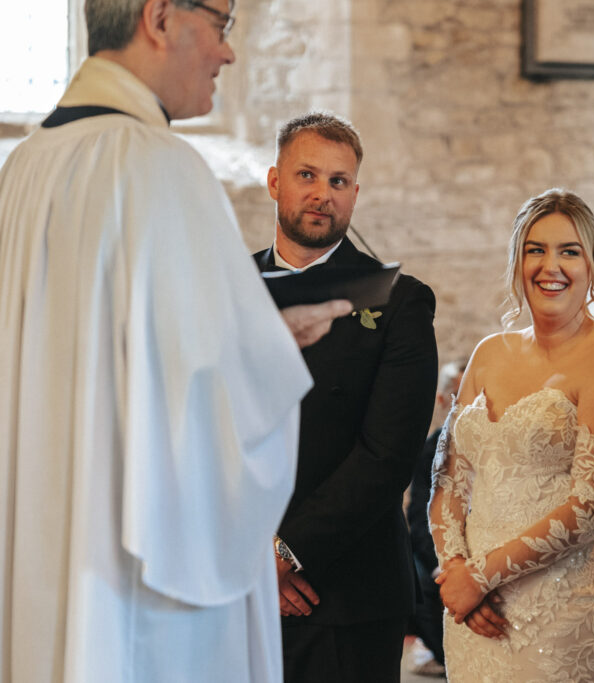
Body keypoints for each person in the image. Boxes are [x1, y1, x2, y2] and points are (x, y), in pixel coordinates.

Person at [0, 1, 351, 681]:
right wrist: (277, 348)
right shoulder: (160, 165)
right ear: (159, 18)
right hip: (131, 587)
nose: (229, 54)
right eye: (222, 24)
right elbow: (202, 405)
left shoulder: (20, 171)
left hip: (37, 551)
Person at [429, 189, 594, 681]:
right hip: (474, 611)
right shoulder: (489, 353)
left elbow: (588, 508)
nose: (550, 265)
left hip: (570, 606)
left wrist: (482, 576)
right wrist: (455, 572)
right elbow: (448, 479)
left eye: (568, 251)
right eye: (535, 249)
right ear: (517, 261)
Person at [253, 112, 438, 683]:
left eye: (338, 182)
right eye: (306, 175)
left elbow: (388, 456)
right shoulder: (228, 289)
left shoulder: (398, 301)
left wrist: (285, 554)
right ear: (274, 182)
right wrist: (252, 557)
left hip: (346, 591)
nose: (321, 194)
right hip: (237, 578)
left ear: (355, 194)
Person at [405, 360, 468, 677]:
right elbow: (418, 516)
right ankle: (444, 655)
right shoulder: (431, 448)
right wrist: (441, 562)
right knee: (419, 580)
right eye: (457, 396)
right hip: (440, 553)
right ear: (443, 401)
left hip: (481, 550)